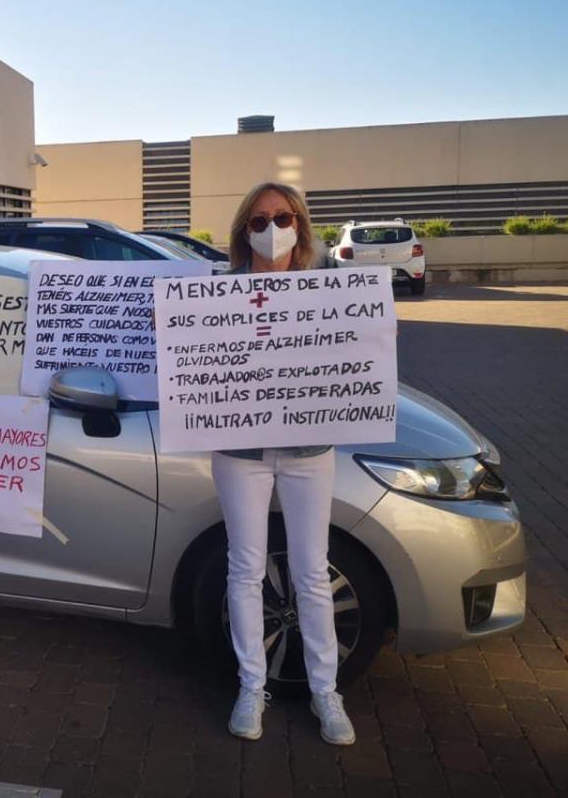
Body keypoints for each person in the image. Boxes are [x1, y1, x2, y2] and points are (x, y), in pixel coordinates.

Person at [215, 181, 356, 746]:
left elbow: (357, 354)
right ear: (241, 231)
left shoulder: (327, 292)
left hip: (308, 450)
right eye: (258, 220)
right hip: (239, 451)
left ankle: (327, 693)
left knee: (311, 572)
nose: (271, 228)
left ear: (300, 224)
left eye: (282, 217)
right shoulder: (217, 295)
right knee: (245, 570)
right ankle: (253, 687)